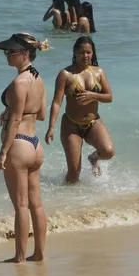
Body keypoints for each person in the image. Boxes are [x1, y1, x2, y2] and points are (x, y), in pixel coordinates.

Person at [0, 32, 50, 263]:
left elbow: (15, 121)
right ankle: (39, 254)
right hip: (35, 146)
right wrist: (10, 111)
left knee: (21, 205)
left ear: (25, 54)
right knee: (36, 205)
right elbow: (42, 114)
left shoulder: (18, 82)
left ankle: (19, 256)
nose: (7, 56)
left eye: (11, 52)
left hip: (18, 147)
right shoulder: (38, 78)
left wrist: (3, 152)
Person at [45, 36, 114, 183]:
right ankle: (69, 202)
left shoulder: (99, 72)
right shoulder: (65, 74)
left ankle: (93, 158)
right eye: (82, 52)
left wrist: (93, 95)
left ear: (93, 53)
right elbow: (57, 102)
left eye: (89, 52)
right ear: (75, 53)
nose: (85, 56)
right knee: (73, 174)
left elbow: (109, 97)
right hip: (71, 124)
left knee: (108, 151)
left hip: (93, 122)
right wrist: (51, 127)